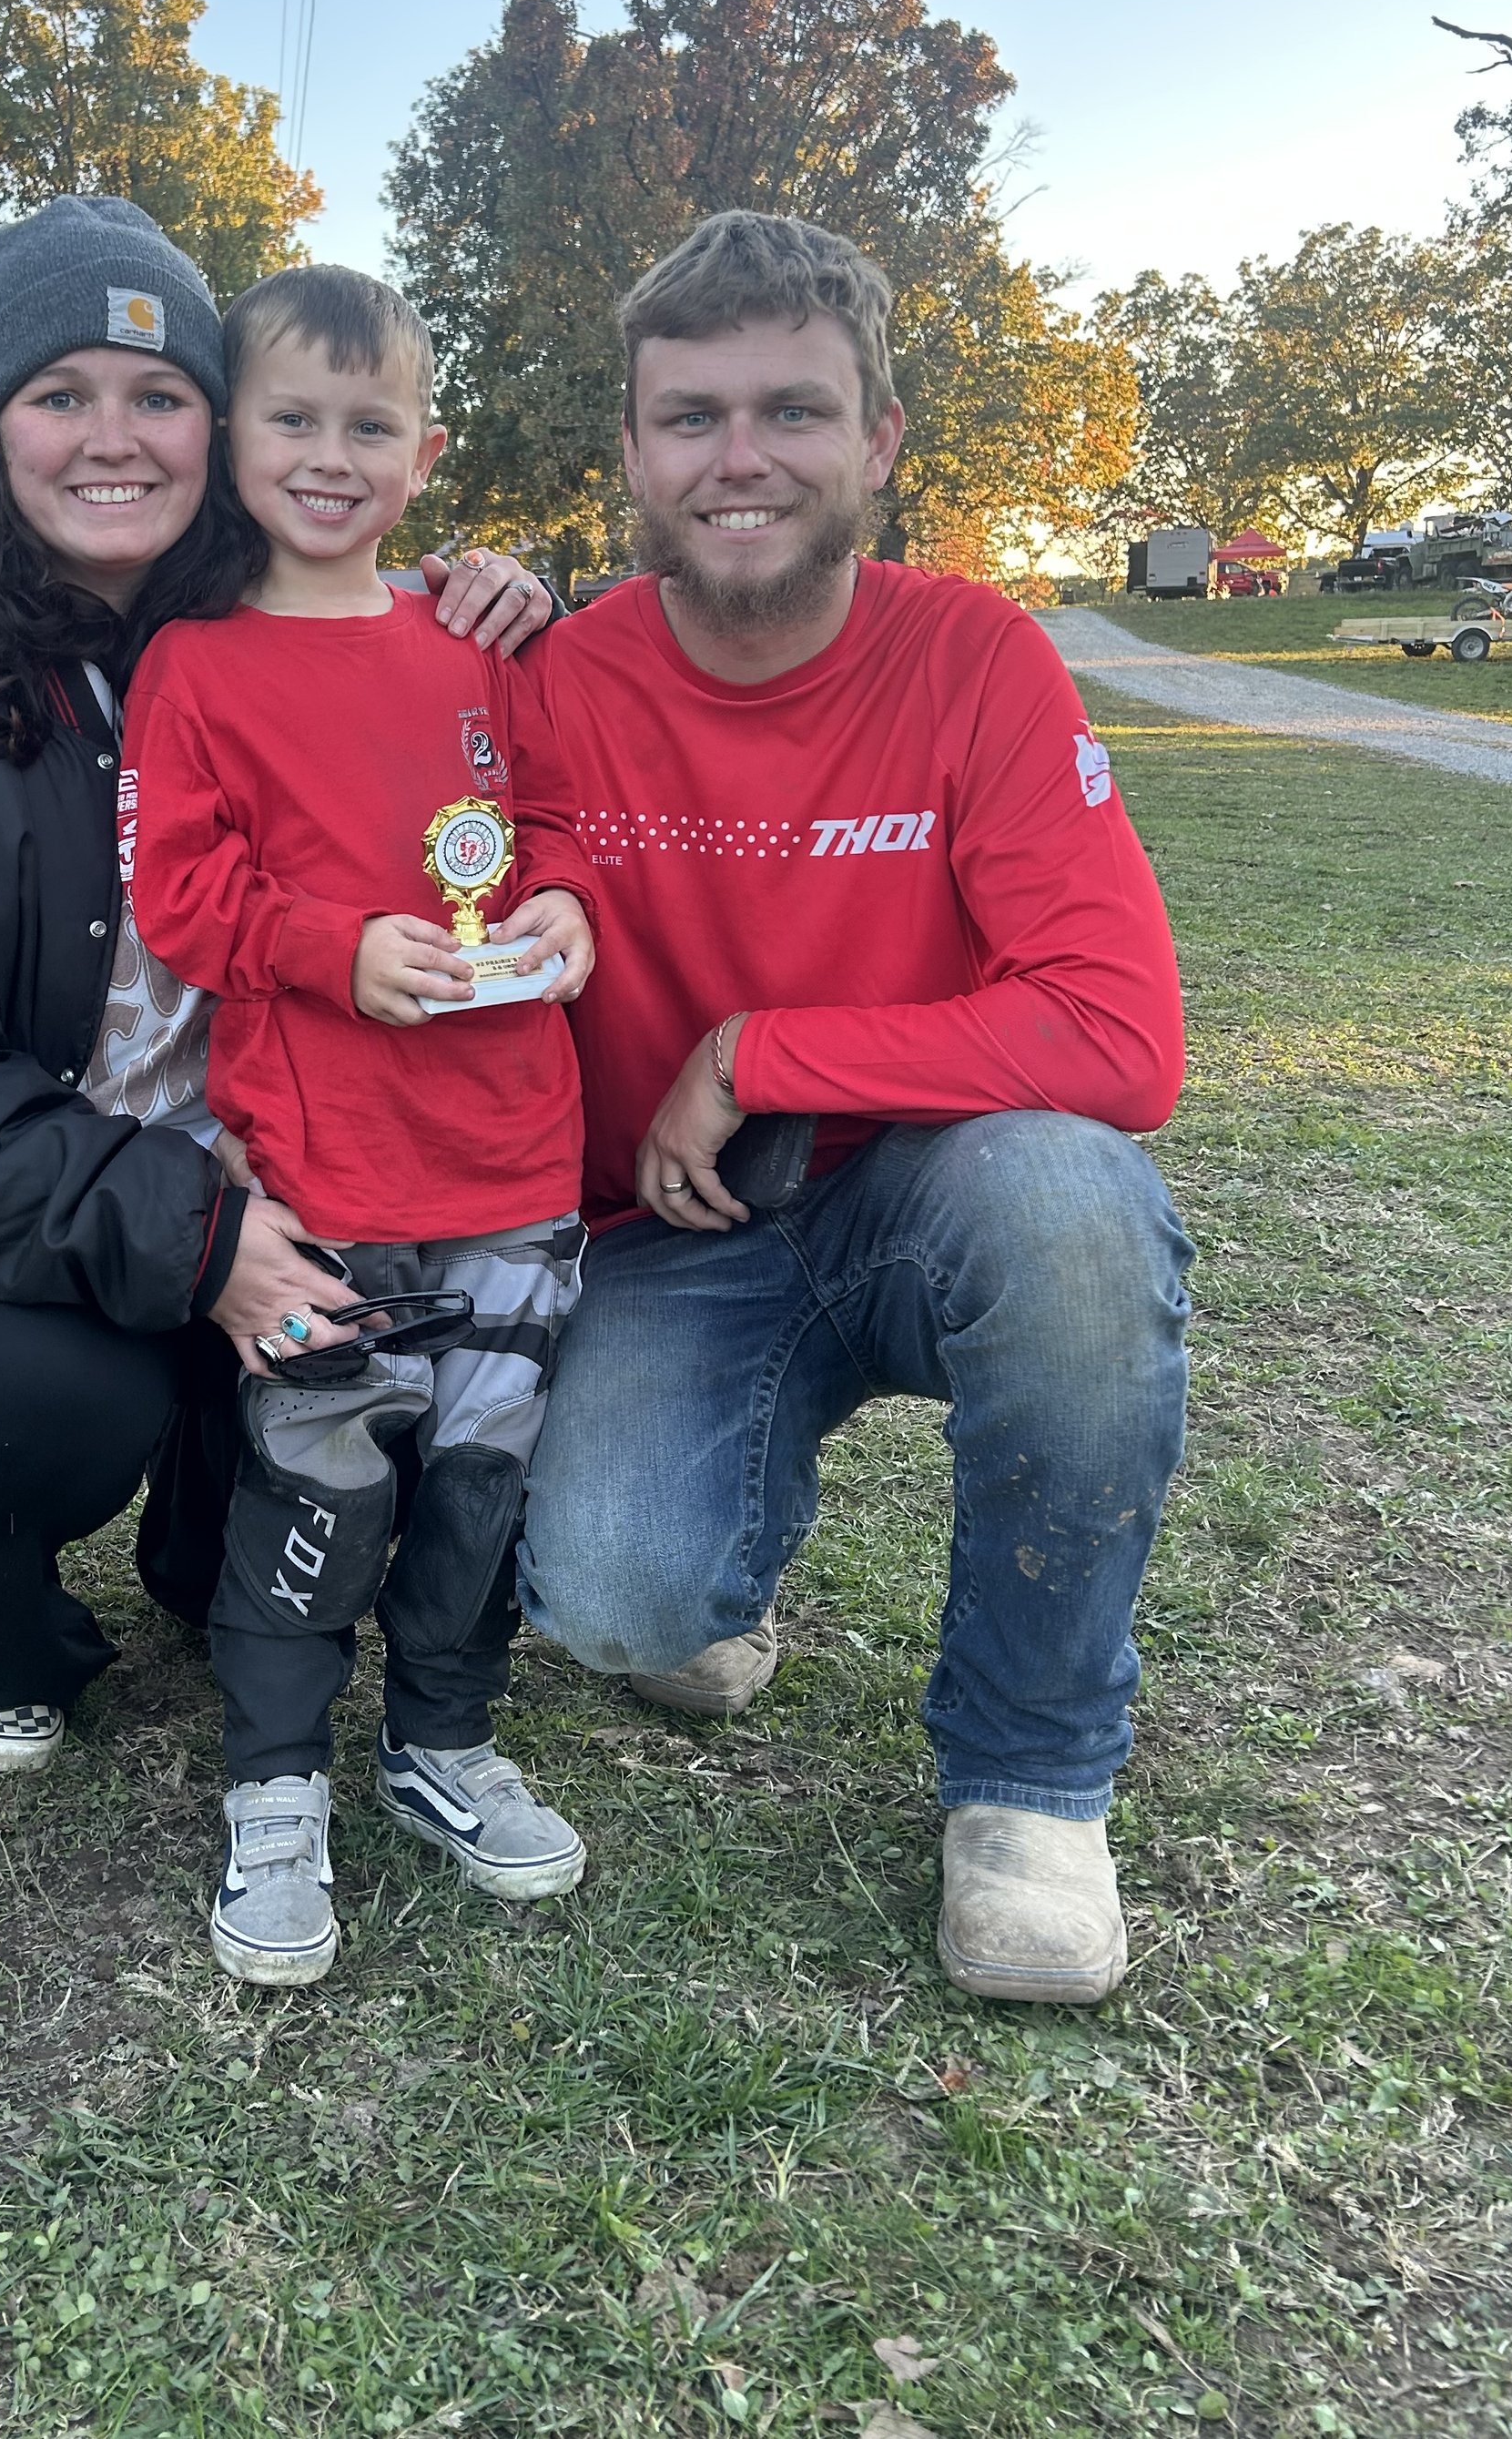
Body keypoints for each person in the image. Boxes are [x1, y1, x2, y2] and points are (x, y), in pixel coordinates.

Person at [0, 198, 551, 1776]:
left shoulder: (287, 636)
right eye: (60, 394)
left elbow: (475, 763)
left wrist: (495, 603)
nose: (112, 438)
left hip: (282, 1147)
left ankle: (208, 1538)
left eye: (159, 393)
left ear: (218, 426)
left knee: (397, 1426)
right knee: (21, 1398)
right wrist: (205, 1241)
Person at [514, 211, 1192, 2007]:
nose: (737, 458)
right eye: (691, 416)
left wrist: (758, 1051)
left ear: (878, 439)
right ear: (634, 451)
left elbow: (1120, 1038)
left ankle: (1030, 1781)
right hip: (672, 1225)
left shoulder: (975, 656)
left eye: (792, 411)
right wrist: (448, 589)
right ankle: (713, 1566)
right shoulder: (558, 682)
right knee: (615, 1598)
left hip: (926, 1191)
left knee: (1072, 1204)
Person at [124, 265, 598, 1987]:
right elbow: (180, 895)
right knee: (314, 1480)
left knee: (478, 1478)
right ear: (230, 434)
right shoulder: (192, 664)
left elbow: (555, 821)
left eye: (370, 426)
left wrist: (567, 906)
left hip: (516, 1165)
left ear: (425, 453)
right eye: (295, 420)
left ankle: (443, 1740)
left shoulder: (481, 643)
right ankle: (274, 1783)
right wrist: (334, 949)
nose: (331, 457)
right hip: (323, 1177)